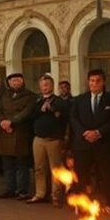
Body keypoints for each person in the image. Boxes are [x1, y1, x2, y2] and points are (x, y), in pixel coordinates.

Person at [69, 68, 110, 215]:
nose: (94, 84)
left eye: (98, 81)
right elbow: (74, 119)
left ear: (103, 82)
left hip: (104, 144)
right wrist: (84, 132)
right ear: (88, 82)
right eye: (92, 81)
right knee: (82, 176)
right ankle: (82, 205)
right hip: (83, 144)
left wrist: (99, 132)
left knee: (107, 176)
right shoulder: (80, 99)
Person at [0, 73, 36, 199]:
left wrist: (11, 121)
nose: (15, 82)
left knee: (21, 164)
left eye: (18, 80)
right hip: (4, 132)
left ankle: (22, 190)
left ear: (23, 81)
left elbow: (27, 112)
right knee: (7, 164)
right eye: (13, 81)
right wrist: (2, 121)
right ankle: (9, 189)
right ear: (9, 83)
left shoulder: (30, 96)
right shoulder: (5, 95)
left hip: (20, 132)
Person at [30, 75, 69, 206]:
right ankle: (40, 194)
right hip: (38, 139)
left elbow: (62, 115)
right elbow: (31, 114)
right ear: (39, 86)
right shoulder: (36, 100)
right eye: (43, 84)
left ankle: (56, 195)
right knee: (39, 168)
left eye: (47, 84)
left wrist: (51, 110)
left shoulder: (59, 101)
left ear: (52, 86)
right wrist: (41, 110)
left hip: (54, 140)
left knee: (56, 169)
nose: (45, 87)